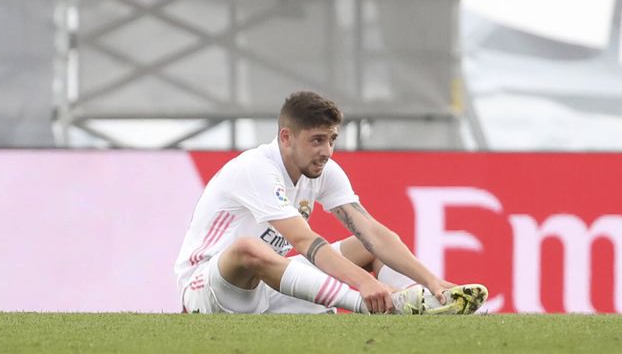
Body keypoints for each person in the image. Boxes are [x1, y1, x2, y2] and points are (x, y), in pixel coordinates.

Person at [175, 91, 488, 315]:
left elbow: (373, 233)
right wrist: (364, 283)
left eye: (332, 139)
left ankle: (427, 304)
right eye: (316, 140)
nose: (326, 151)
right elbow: (303, 240)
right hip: (210, 286)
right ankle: (369, 305)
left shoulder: (323, 170)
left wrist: (433, 281)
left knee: (366, 244)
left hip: (269, 285)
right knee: (248, 249)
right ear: (286, 137)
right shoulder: (256, 168)